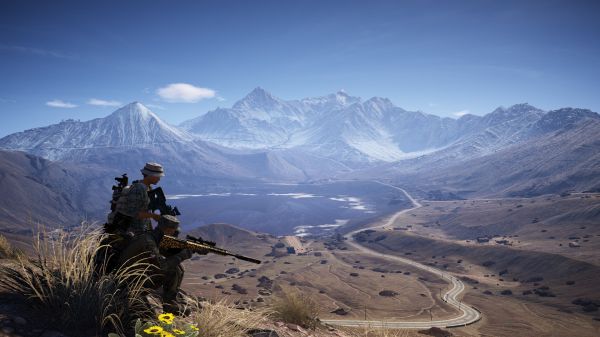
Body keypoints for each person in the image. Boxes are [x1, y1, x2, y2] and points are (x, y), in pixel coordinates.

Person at [117, 214, 199, 315]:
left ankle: (171, 303)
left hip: (135, 278)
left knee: (177, 267)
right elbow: (162, 266)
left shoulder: (152, 237)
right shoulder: (148, 241)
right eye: (174, 233)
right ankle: (169, 306)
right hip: (127, 284)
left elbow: (160, 256)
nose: (175, 236)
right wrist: (182, 255)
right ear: (168, 230)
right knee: (175, 269)